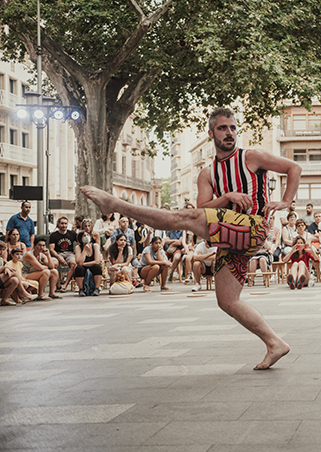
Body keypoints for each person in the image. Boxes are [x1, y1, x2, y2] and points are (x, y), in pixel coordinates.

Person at [81, 107, 300, 370]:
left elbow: (293, 167)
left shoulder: (251, 156)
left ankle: (115, 204)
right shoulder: (207, 174)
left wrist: (285, 202)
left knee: (181, 218)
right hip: (229, 236)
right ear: (211, 133)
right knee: (227, 301)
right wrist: (227, 197)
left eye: (232, 128)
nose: (229, 133)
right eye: (222, 128)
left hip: (253, 226)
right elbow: (205, 207)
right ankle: (275, 343)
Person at [48, 216, 77, 292]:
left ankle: (65, 285)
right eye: (62, 223)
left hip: (69, 253)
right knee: (54, 264)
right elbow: (51, 249)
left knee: (74, 264)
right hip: (58, 253)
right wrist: (59, 258)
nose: (64, 225)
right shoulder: (54, 235)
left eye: (65, 223)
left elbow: (79, 242)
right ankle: (58, 286)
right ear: (58, 224)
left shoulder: (72, 233)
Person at [73, 230, 103, 296]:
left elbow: (97, 261)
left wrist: (84, 264)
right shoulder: (78, 248)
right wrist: (84, 251)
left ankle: (97, 288)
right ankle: (81, 289)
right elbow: (79, 262)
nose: (86, 237)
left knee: (97, 267)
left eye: (87, 235)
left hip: (91, 264)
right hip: (83, 265)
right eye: (84, 236)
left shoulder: (95, 246)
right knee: (79, 268)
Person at [0, 241, 23, 306]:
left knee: (15, 280)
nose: (1, 252)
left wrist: (6, 268)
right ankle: (22, 292)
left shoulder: (1, 259)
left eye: (3, 250)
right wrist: (5, 267)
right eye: (0, 249)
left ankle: (4, 299)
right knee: (14, 272)